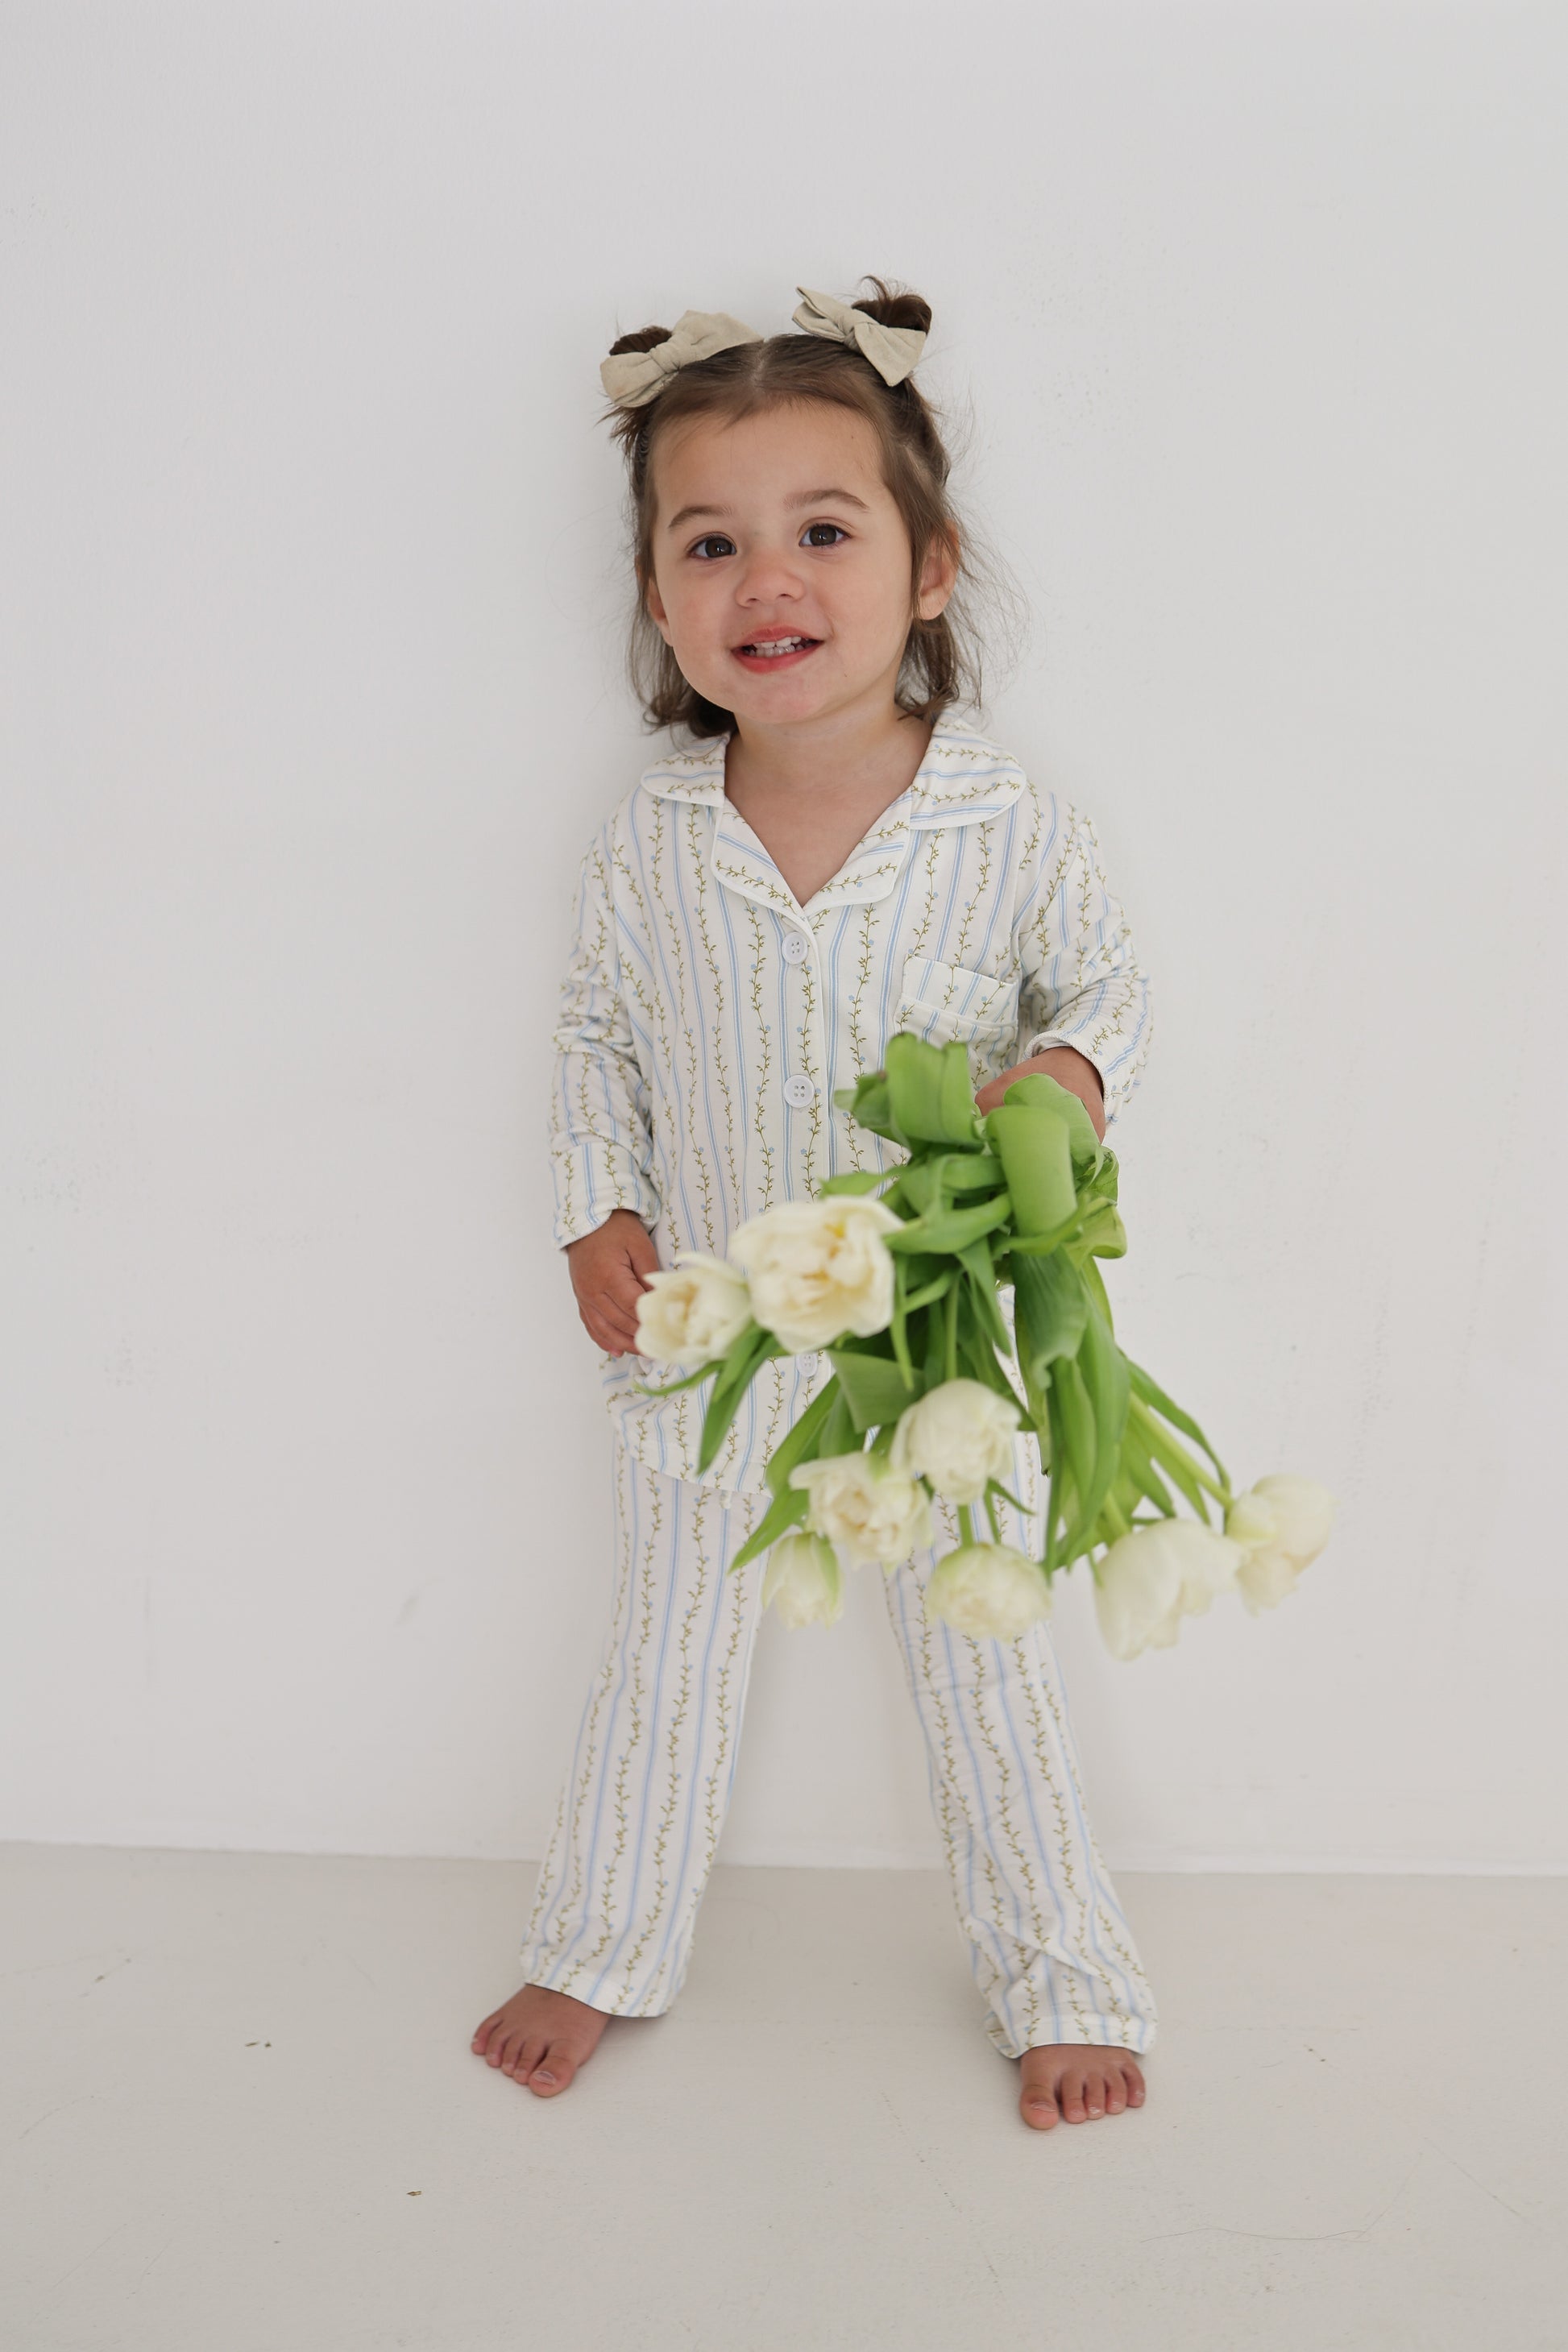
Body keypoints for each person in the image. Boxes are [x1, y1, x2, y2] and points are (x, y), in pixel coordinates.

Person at [471, 280, 1156, 2131]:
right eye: (711, 541)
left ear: (928, 570)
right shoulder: (658, 832)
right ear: (657, 599)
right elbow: (592, 1034)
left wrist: (1071, 1081)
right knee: (665, 1646)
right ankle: (604, 1936)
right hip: (708, 1330)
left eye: (822, 530)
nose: (765, 577)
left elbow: (1107, 992)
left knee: (984, 1654)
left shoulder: (1003, 823)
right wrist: (588, 1207)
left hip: (938, 1347)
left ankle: (1062, 1969)